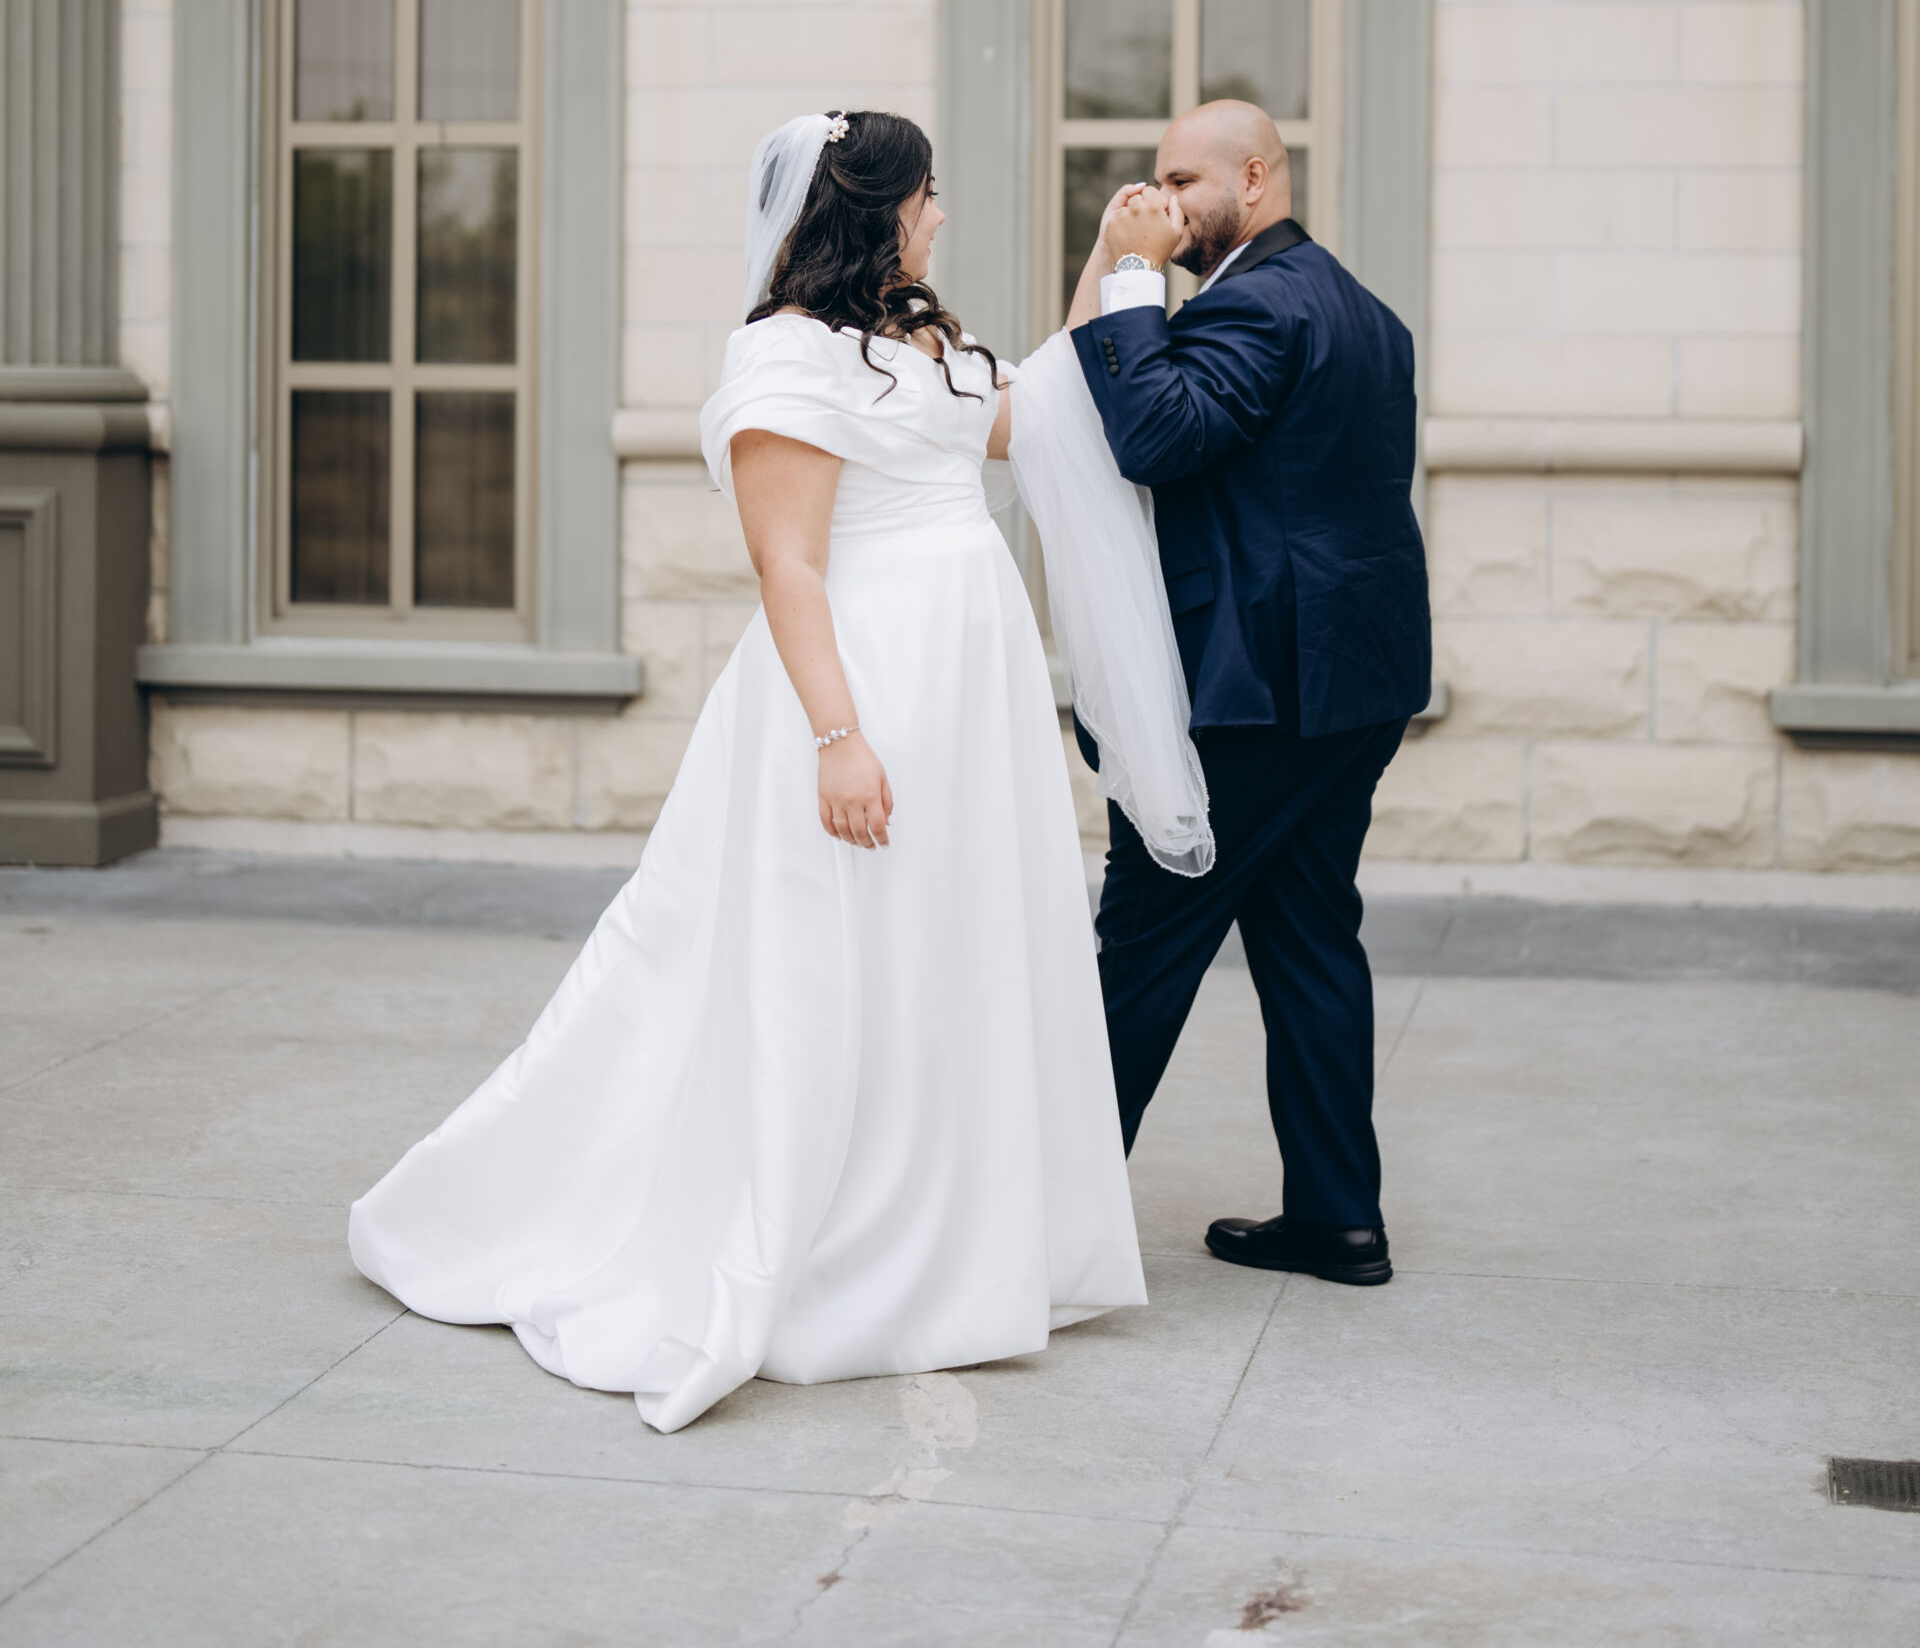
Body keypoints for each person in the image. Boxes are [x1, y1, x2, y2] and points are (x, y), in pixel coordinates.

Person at [349, 110, 1157, 1434]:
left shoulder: (917, 342)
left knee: (939, 957)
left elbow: (1042, 420)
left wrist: (1113, 263)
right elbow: (788, 563)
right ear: (877, 208)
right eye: (929, 195)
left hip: (965, 692)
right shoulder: (785, 352)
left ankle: (946, 1245)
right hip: (864, 685)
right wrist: (840, 736)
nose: (942, 215)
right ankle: (814, 1243)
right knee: (834, 963)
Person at [1068, 99, 1432, 1287]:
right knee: (1310, 933)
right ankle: (1336, 1217)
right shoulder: (1365, 312)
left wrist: (1133, 280)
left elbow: (1156, 439)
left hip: (1256, 696)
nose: (1163, 200)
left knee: (1140, 946)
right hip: (1352, 686)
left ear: (1259, 179)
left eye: (1185, 180)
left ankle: (1042, 1224)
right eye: (1158, 180)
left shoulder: (1255, 307)